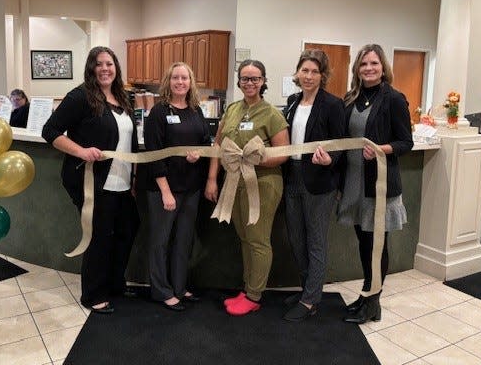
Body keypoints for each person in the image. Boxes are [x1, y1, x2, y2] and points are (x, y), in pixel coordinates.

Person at [41, 46, 139, 314]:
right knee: (99, 238)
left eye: (109, 63)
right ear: (91, 68)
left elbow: (130, 141)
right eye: (99, 64)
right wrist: (82, 151)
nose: (105, 68)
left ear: (116, 67)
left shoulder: (123, 97)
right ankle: (93, 295)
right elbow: (49, 131)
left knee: (127, 231)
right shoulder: (80, 97)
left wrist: (134, 177)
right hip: (93, 183)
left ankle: (114, 284)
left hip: (122, 183)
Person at [204, 59, 289, 316]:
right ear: (238, 81)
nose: (249, 83)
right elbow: (218, 146)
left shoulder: (271, 113)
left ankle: (254, 295)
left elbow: (283, 153)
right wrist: (211, 179)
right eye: (245, 78)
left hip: (262, 182)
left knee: (257, 239)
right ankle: (247, 287)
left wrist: (254, 159)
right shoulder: (232, 109)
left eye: (255, 78)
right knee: (244, 236)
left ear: (263, 81)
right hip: (234, 181)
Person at [338, 43, 413, 324]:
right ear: (357, 69)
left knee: (376, 246)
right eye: (364, 64)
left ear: (383, 68)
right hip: (355, 183)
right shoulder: (350, 98)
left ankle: (373, 303)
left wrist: (382, 149)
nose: (369, 69)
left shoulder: (394, 98)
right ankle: (367, 294)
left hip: (379, 186)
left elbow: (406, 142)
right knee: (363, 243)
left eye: (374, 64)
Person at [281, 49, 345, 321]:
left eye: (314, 71)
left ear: (322, 75)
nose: (308, 76)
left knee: (315, 241)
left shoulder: (332, 104)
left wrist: (330, 158)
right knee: (296, 239)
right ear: (297, 72)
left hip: (319, 181)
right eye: (304, 70)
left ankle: (310, 300)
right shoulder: (293, 102)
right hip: (292, 175)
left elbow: (341, 142)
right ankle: (308, 287)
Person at [143, 62, 211, 311]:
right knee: (160, 240)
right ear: (168, 82)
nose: (180, 82)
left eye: (185, 78)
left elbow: (205, 142)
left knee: (184, 239)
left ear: (191, 82)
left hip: (190, 188)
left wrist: (198, 154)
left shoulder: (196, 111)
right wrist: (165, 191)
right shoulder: (158, 113)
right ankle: (161, 291)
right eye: (175, 78)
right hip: (164, 189)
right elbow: (154, 154)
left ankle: (180, 287)